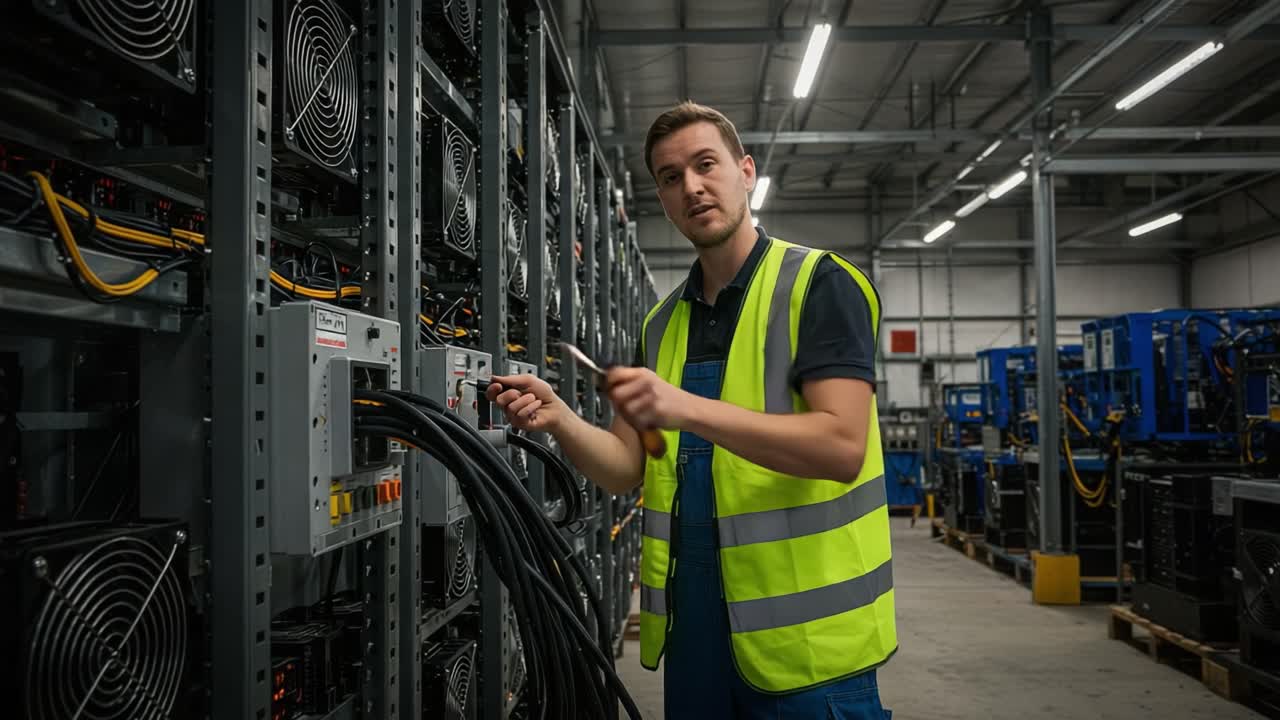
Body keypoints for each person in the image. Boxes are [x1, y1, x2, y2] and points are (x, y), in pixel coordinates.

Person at [487, 101, 896, 719]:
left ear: (746, 170)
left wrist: (690, 409)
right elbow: (627, 466)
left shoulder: (819, 284)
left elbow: (841, 448)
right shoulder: (661, 324)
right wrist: (560, 420)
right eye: (671, 177)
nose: (692, 187)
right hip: (696, 633)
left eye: (706, 165)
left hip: (810, 645)